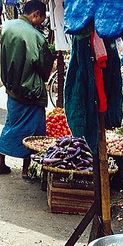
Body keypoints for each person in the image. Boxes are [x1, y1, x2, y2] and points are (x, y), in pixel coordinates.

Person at [0, 1, 55, 177]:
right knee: (34, 131)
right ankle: (26, 169)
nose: (41, 22)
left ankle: (0, 161)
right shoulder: (37, 37)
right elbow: (43, 67)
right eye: (42, 18)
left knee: (11, 124)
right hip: (31, 91)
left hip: (11, 88)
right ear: (36, 14)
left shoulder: (7, 27)